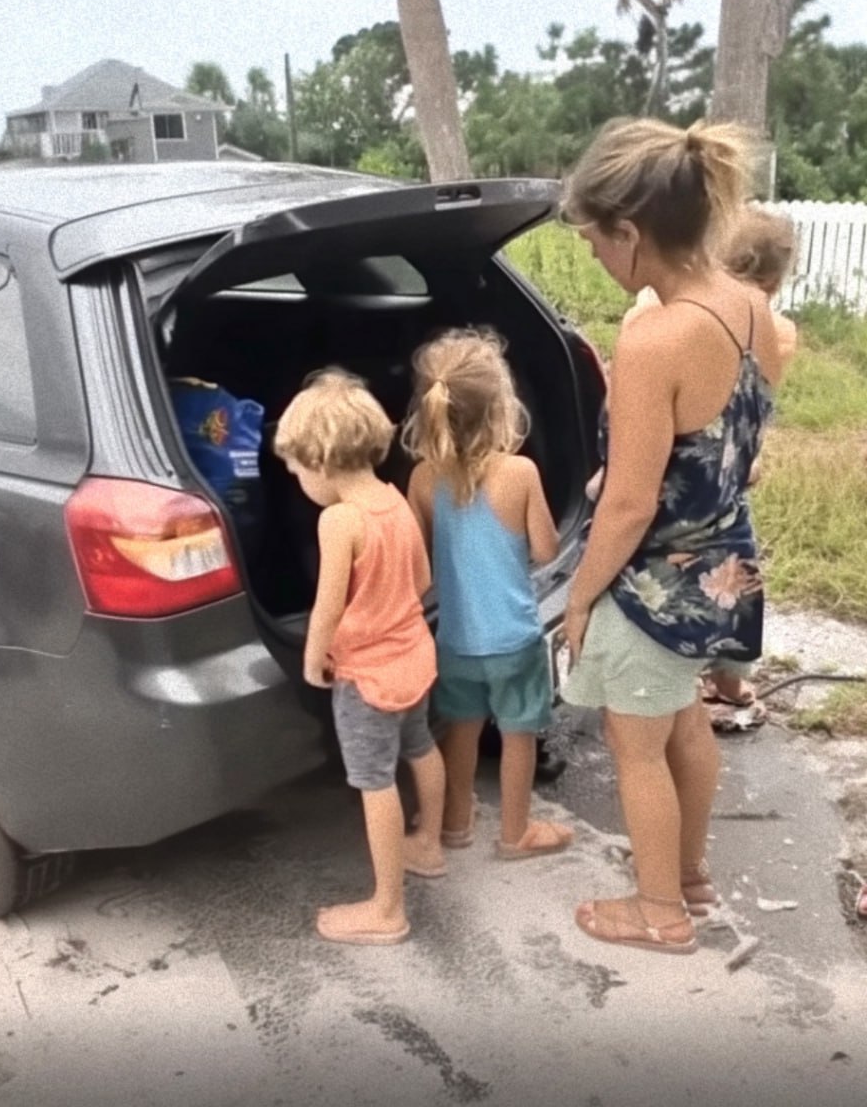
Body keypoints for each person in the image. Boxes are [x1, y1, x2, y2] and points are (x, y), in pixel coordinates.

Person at [559, 118, 783, 955]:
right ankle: (687, 877)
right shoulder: (750, 306)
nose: (592, 257)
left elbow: (627, 506)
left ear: (630, 230)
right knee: (686, 720)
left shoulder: (654, 335)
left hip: (657, 581)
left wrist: (579, 599)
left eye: (593, 240)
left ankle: (658, 913)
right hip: (726, 564)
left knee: (637, 746)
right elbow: (726, 444)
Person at [274, 368, 446, 946]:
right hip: (415, 657)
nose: (297, 480)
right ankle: (430, 843)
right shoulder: (394, 501)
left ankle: (387, 907)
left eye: (295, 469)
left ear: (320, 462)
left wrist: (312, 657)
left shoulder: (338, 519)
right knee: (421, 746)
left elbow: (325, 608)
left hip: (368, 676)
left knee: (376, 783)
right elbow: (422, 579)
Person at [609, 208, 799, 716]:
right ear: (775, 278)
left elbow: (636, 482)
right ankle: (728, 684)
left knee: (643, 741)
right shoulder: (773, 327)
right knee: (732, 582)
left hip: (667, 512)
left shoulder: (657, 324)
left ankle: (694, 684)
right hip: (727, 489)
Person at [402, 328, 573, 860]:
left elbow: (418, 566)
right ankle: (515, 832)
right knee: (519, 735)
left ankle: (454, 824)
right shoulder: (520, 473)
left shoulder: (423, 480)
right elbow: (546, 551)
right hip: (515, 641)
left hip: (456, 641)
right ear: (502, 406)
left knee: (462, 732)